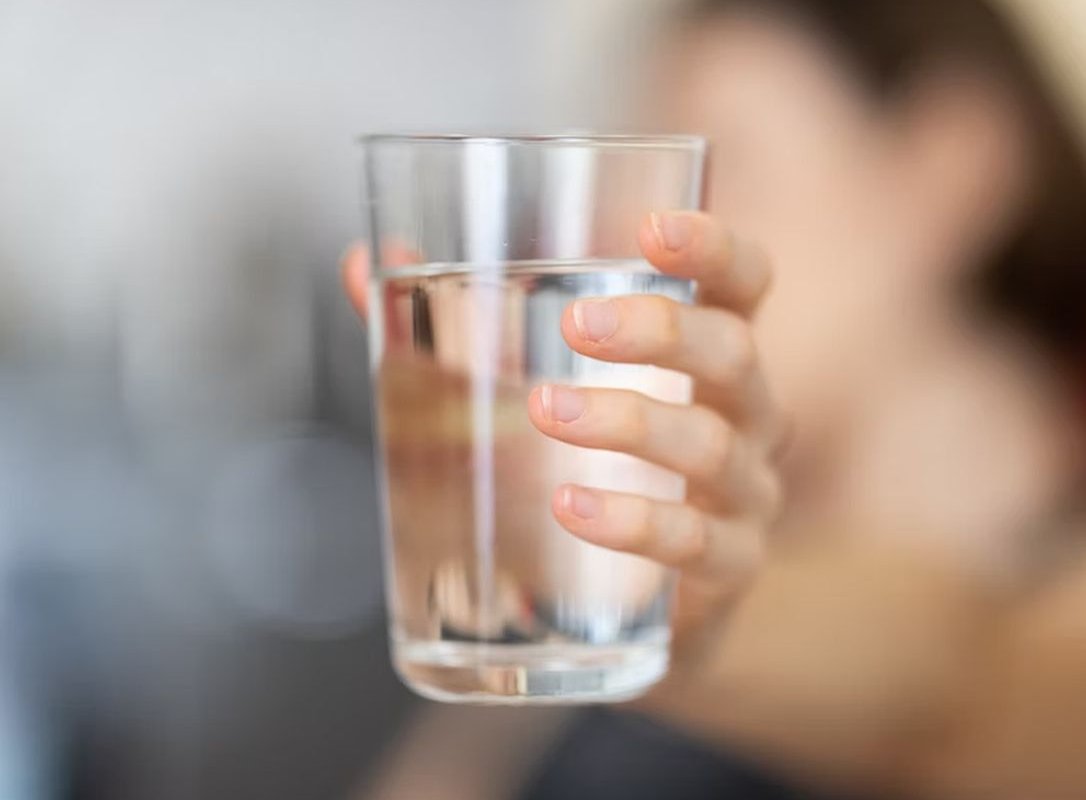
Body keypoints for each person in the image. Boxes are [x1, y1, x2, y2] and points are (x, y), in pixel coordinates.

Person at [345, 0, 1086, 797]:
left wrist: (696, 629)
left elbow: (960, 688)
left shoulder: (1039, 580)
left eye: (717, 171)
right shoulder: (641, 535)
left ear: (953, 163)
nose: (631, 235)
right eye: (632, 179)